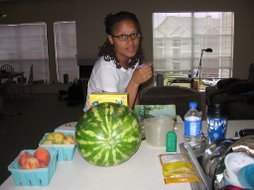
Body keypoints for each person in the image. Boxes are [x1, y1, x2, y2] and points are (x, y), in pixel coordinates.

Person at [84, 11, 153, 111]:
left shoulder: (134, 59)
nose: (131, 42)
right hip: (99, 119)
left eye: (134, 34)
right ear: (111, 39)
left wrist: (138, 115)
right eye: (122, 36)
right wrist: (134, 82)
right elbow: (116, 115)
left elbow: (135, 92)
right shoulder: (106, 68)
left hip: (119, 114)